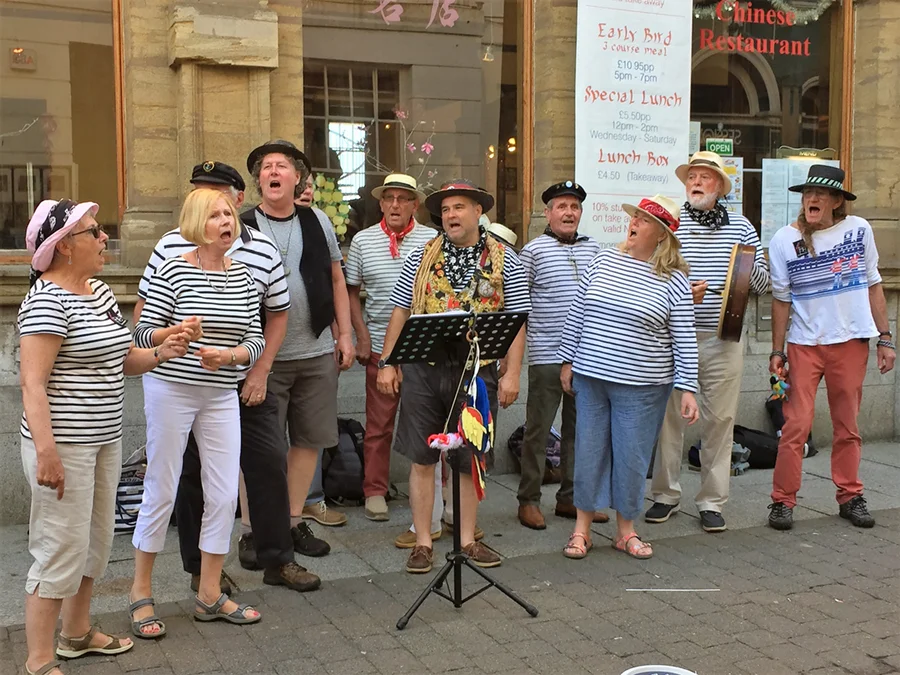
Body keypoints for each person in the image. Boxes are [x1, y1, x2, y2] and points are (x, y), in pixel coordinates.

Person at [18, 199, 188, 675]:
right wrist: (47, 452)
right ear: (65, 246)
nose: (104, 237)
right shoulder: (47, 300)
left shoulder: (100, 293)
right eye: (94, 231)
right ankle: (38, 659)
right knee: (58, 546)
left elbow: (122, 359)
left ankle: (76, 634)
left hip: (103, 440)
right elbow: (32, 383)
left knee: (94, 541)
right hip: (63, 447)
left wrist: (162, 350)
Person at [135, 161, 320, 597]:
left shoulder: (258, 253)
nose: (213, 209)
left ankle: (277, 559)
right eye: (201, 196)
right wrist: (166, 344)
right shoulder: (169, 249)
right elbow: (145, 320)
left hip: (240, 380)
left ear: (238, 200)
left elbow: (274, 315)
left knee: (268, 461)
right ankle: (200, 572)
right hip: (178, 384)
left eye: (220, 199)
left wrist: (256, 369)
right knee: (187, 476)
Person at [130, 189, 266, 636]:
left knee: (225, 494)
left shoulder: (245, 277)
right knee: (162, 488)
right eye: (215, 215)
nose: (227, 220)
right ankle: (140, 592)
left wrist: (230, 358)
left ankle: (209, 594)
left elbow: (256, 341)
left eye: (230, 213)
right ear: (195, 223)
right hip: (171, 388)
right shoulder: (172, 269)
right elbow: (144, 332)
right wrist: (175, 332)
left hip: (220, 394)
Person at [378, 179, 531, 574]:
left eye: (459, 207)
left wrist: (513, 373)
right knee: (422, 457)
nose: (451, 215)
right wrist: (388, 362)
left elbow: (516, 322)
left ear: (479, 212)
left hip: (477, 374)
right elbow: (400, 311)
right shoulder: (420, 257)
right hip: (425, 371)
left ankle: (466, 539)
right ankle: (424, 542)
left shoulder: (505, 259)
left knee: (469, 458)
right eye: (445, 210)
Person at [558, 194, 700, 560]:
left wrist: (688, 388)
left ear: (662, 236)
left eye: (644, 220)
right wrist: (567, 361)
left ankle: (625, 532)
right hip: (591, 376)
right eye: (634, 217)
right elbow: (577, 310)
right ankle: (581, 531)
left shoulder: (674, 281)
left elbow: (683, 337)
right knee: (589, 453)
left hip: (643, 387)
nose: (633, 223)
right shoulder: (603, 259)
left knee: (631, 459)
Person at [647, 151, 770, 533]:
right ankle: (665, 496)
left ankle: (712, 501)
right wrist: (684, 293)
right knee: (669, 420)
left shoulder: (742, 227)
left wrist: (738, 282)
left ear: (719, 186)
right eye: (692, 176)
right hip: (674, 337)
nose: (696, 182)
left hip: (724, 338)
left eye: (704, 176)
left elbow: (764, 281)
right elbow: (651, 274)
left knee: (720, 420)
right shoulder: (671, 224)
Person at [766, 165, 895, 530]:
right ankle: (782, 501)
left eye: (822, 194)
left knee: (847, 425)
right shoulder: (783, 240)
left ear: (838, 201)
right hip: (804, 346)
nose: (813, 198)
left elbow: (873, 284)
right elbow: (781, 299)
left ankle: (850, 496)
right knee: (795, 426)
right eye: (808, 193)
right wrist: (777, 353)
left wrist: (885, 338)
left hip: (851, 342)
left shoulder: (859, 230)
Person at [242, 139, 354, 548]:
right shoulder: (239, 225)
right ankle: (255, 531)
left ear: (297, 179)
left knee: (308, 441)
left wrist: (344, 334)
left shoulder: (318, 221)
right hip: (262, 359)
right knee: (260, 451)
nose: (272, 172)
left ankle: (290, 523)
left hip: (317, 352)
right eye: (266, 167)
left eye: (281, 166)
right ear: (259, 181)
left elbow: (337, 280)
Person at [345, 174, 436, 522]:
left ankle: (432, 495)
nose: (396, 205)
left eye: (403, 198)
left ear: (415, 204)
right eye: (390, 198)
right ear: (381, 204)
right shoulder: (364, 242)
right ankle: (375, 490)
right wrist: (362, 336)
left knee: (428, 423)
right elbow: (352, 290)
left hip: (424, 345)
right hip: (381, 342)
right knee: (379, 423)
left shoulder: (433, 239)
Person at [516, 181, 605, 530]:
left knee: (581, 432)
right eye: (562, 206)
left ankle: (571, 499)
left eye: (575, 207)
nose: (569, 212)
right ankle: (528, 500)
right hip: (547, 354)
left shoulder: (595, 249)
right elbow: (519, 308)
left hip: (588, 357)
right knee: (538, 431)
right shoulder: (533, 252)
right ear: (547, 212)